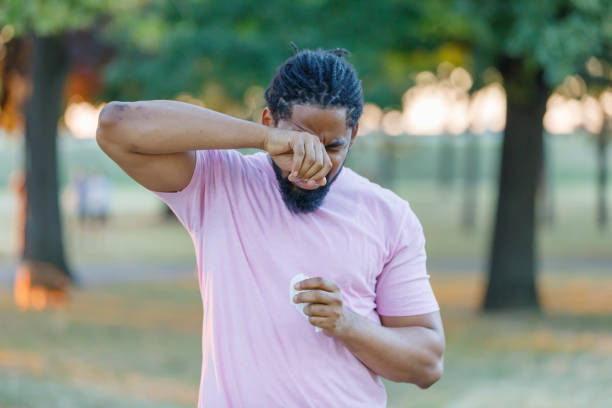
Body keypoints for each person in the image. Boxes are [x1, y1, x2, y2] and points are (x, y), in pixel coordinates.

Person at [96, 44, 445, 407]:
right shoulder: (221, 183)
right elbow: (116, 125)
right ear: (269, 122)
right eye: (298, 143)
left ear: (353, 135)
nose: (315, 164)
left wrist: (348, 323)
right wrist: (263, 142)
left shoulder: (389, 216)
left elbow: (428, 363)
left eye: (333, 147)